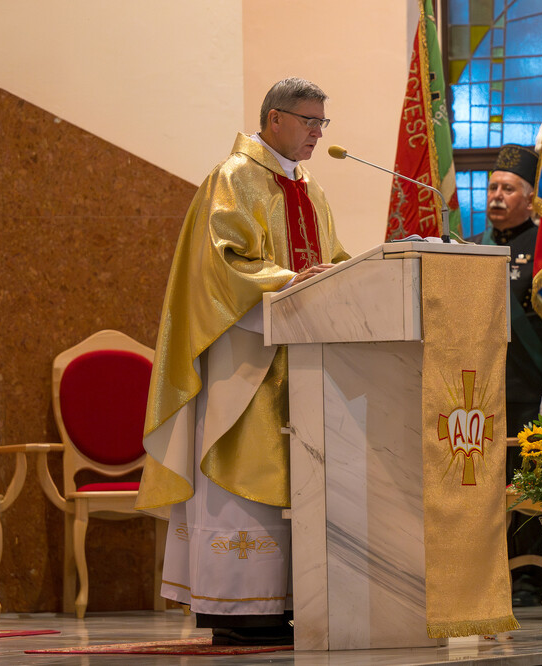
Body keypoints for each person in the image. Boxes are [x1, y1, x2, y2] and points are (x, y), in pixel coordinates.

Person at [135, 78, 350, 645]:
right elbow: (223, 266)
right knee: (242, 469)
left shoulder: (312, 189)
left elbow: (334, 262)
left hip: (304, 362)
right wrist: (292, 281)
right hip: (246, 361)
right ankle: (238, 608)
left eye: (323, 124)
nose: (317, 133)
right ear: (274, 119)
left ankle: (290, 601)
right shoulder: (232, 178)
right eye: (310, 122)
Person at [469, 144, 542, 607]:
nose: (497, 197)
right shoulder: (474, 246)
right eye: (492, 188)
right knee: (484, 487)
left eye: (508, 189)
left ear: (530, 196)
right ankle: (490, 573)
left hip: (527, 387)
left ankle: (530, 579)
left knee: (526, 487)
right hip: (480, 390)